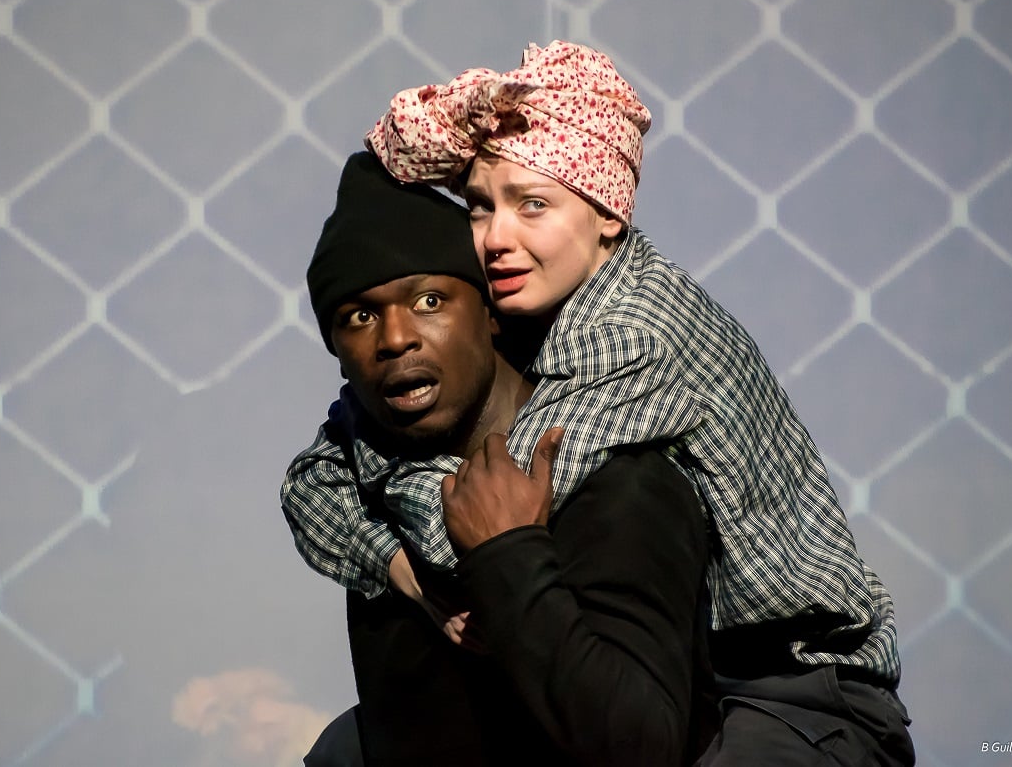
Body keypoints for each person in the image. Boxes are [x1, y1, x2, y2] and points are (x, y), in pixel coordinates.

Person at [284, 41, 914, 765]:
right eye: (481, 207)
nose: (496, 239)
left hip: (802, 692)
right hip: (705, 679)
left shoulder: (630, 336)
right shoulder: (540, 310)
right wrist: (395, 565)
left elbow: (486, 511)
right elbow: (309, 485)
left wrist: (387, 479)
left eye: (534, 205)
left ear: (608, 216)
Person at [293, 151, 715, 765]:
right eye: (358, 316)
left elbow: (643, 746)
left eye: (429, 301)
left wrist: (509, 556)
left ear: (490, 313)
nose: (395, 339)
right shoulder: (369, 501)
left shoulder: (621, 484)